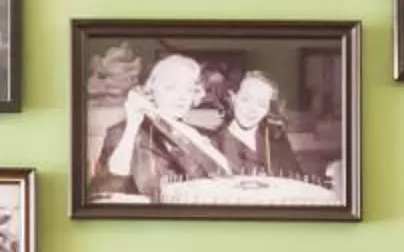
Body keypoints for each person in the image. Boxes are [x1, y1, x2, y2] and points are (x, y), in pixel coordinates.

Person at [90, 52, 232, 202]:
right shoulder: (122, 133)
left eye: (189, 89)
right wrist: (132, 126)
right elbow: (108, 189)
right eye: (171, 88)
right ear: (151, 90)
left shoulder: (199, 136)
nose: (182, 97)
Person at [193, 69, 325, 193]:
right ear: (233, 97)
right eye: (246, 100)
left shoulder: (276, 139)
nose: (252, 110)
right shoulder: (214, 145)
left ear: (268, 108)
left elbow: (297, 184)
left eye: (261, 104)